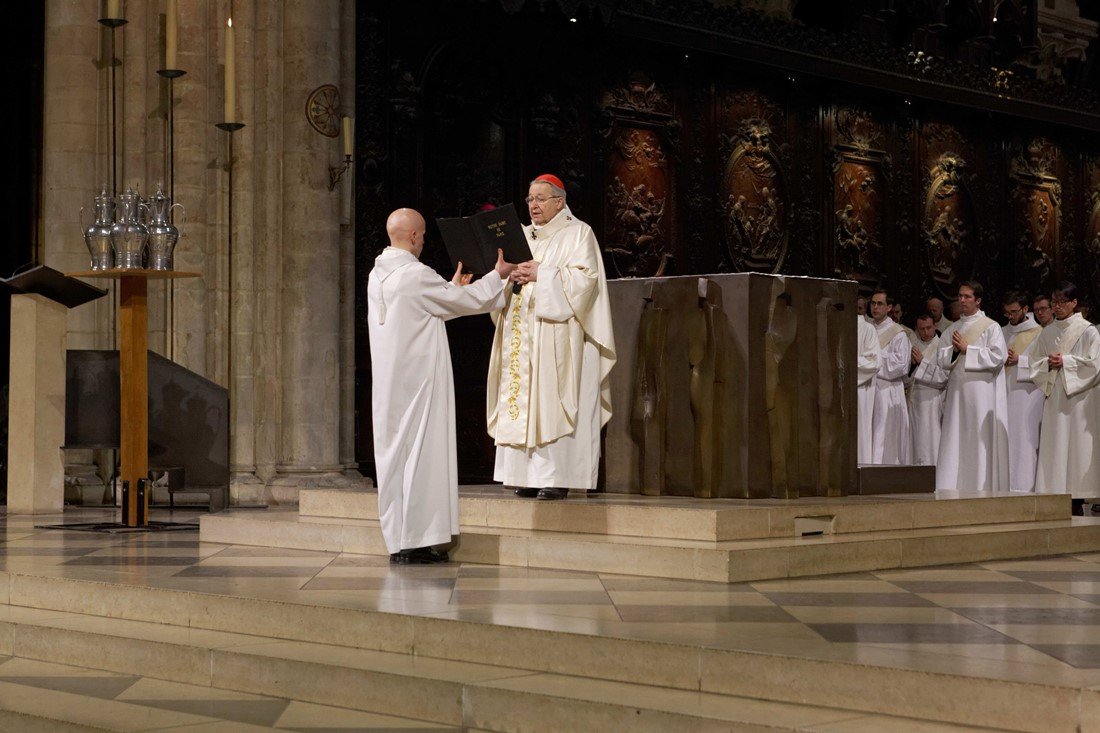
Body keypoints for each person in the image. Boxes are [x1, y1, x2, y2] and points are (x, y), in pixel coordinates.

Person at [368, 208, 514, 563]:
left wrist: (448, 289)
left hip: (390, 387)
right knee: (421, 456)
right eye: (422, 237)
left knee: (396, 460)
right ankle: (418, 541)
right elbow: (467, 303)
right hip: (419, 384)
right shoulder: (415, 274)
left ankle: (399, 540)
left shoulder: (378, 275)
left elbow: (425, 308)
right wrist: (498, 274)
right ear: (416, 237)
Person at [488, 174, 616, 501]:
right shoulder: (521, 236)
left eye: (541, 199)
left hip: (560, 338)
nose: (533, 205)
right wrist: (509, 275)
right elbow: (506, 281)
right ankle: (526, 476)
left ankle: (558, 476)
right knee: (523, 399)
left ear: (559, 202)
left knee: (554, 402)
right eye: (530, 199)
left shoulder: (578, 234)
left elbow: (586, 283)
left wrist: (541, 274)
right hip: (523, 333)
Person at [1025, 282, 1100, 502]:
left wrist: (1065, 361)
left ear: (1074, 303)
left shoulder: (1088, 331)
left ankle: (1079, 497)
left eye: (1061, 302)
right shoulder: (1047, 333)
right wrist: (1048, 363)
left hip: (1079, 398)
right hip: (1056, 395)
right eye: (1054, 302)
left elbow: (1095, 364)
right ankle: (1056, 495)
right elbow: (1034, 363)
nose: (1056, 307)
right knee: (1056, 443)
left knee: (1078, 445)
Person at [934, 281, 1009, 494]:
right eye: (960, 296)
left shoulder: (990, 326)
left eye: (967, 297)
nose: (962, 300)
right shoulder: (952, 329)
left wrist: (969, 349)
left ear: (978, 300)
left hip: (981, 391)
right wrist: (957, 352)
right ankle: (952, 486)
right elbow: (941, 358)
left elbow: (998, 357)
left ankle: (978, 486)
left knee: (977, 435)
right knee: (956, 435)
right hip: (958, 391)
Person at [1001, 291, 1044, 492]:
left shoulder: (1040, 333)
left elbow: (1044, 365)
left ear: (1025, 310)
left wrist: (1020, 360)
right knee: (1005, 440)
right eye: (1007, 312)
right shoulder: (1001, 331)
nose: (1010, 316)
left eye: (1014, 312)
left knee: (1023, 441)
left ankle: (1024, 487)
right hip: (1004, 392)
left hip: (1026, 393)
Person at [868, 290, 911, 464]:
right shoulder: (867, 328)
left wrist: (872, 359)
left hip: (887, 390)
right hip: (868, 387)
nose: (875, 307)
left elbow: (901, 365)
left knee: (885, 434)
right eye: (873, 303)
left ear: (889, 307)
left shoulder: (898, 333)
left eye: (879, 304)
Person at [908, 313, 948, 465]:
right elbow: (906, 377)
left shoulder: (942, 347)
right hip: (914, 399)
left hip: (932, 401)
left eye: (928, 328)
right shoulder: (914, 345)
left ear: (935, 326)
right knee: (914, 440)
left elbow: (944, 377)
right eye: (921, 329)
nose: (925, 332)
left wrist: (921, 362)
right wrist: (912, 365)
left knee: (929, 440)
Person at [856, 314, 880, 464]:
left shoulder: (867, 328)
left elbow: (874, 362)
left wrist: (845, 362)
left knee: (859, 433)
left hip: (859, 389)